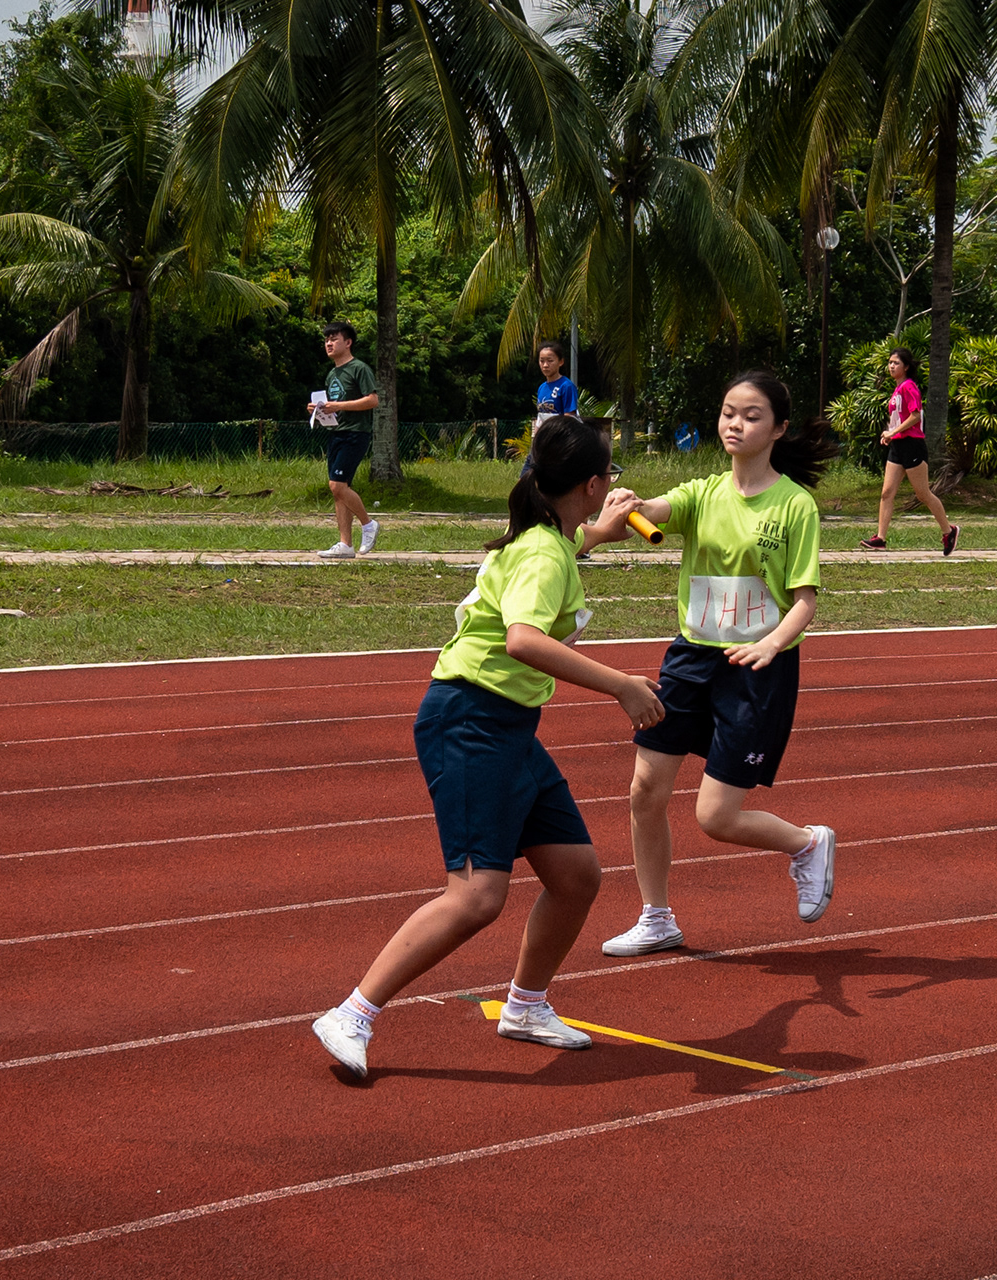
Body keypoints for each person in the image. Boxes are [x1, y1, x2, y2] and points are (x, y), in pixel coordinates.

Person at [311, 416, 665, 1079]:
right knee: (476, 896)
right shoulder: (543, 554)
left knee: (576, 876)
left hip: (508, 725)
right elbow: (523, 639)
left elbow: (567, 547)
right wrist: (621, 685)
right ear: (591, 485)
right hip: (471, 720)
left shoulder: (547, 538)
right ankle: (352, 1014)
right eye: (608, 476)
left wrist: (600, 530)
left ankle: (525, 1006)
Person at [582, 370, 838, 957]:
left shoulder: (794, 506)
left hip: (757, 668)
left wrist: (771, 644)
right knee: (645, 788)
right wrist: (627, 505)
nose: (735, 424)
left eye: (751, 415)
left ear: (778, 428)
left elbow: (804, 602)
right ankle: (656, 917)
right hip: (692, 656)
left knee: (716, 817)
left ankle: (806, 843)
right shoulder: (703, 493)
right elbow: (655, 510)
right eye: (728, 413)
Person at [860, 347, 957, 555]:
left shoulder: (909, 387)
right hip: (898, 446)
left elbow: (915, 416)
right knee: (887, 493)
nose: (891, 366)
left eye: (896, 363)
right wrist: (889, 434)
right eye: (890, 362)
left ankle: (949, 531)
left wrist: (893, 432)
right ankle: (880, 538)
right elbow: (899, 418)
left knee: (923, 494)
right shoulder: (897, 390)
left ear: (905, 367)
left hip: (912, 444)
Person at [307, 321, 381, 560]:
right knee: (340, 490)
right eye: (326, 340)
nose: (329, 343)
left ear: (348, 342)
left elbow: (372, 400)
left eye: (334, 339)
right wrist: (319, 411)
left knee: (336, 486)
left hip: (355, 433)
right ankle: (345, 544)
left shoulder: (359, 368)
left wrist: (338, 405)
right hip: (337, 432)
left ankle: (368, 524)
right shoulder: (332, 374)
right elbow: (334, 408)